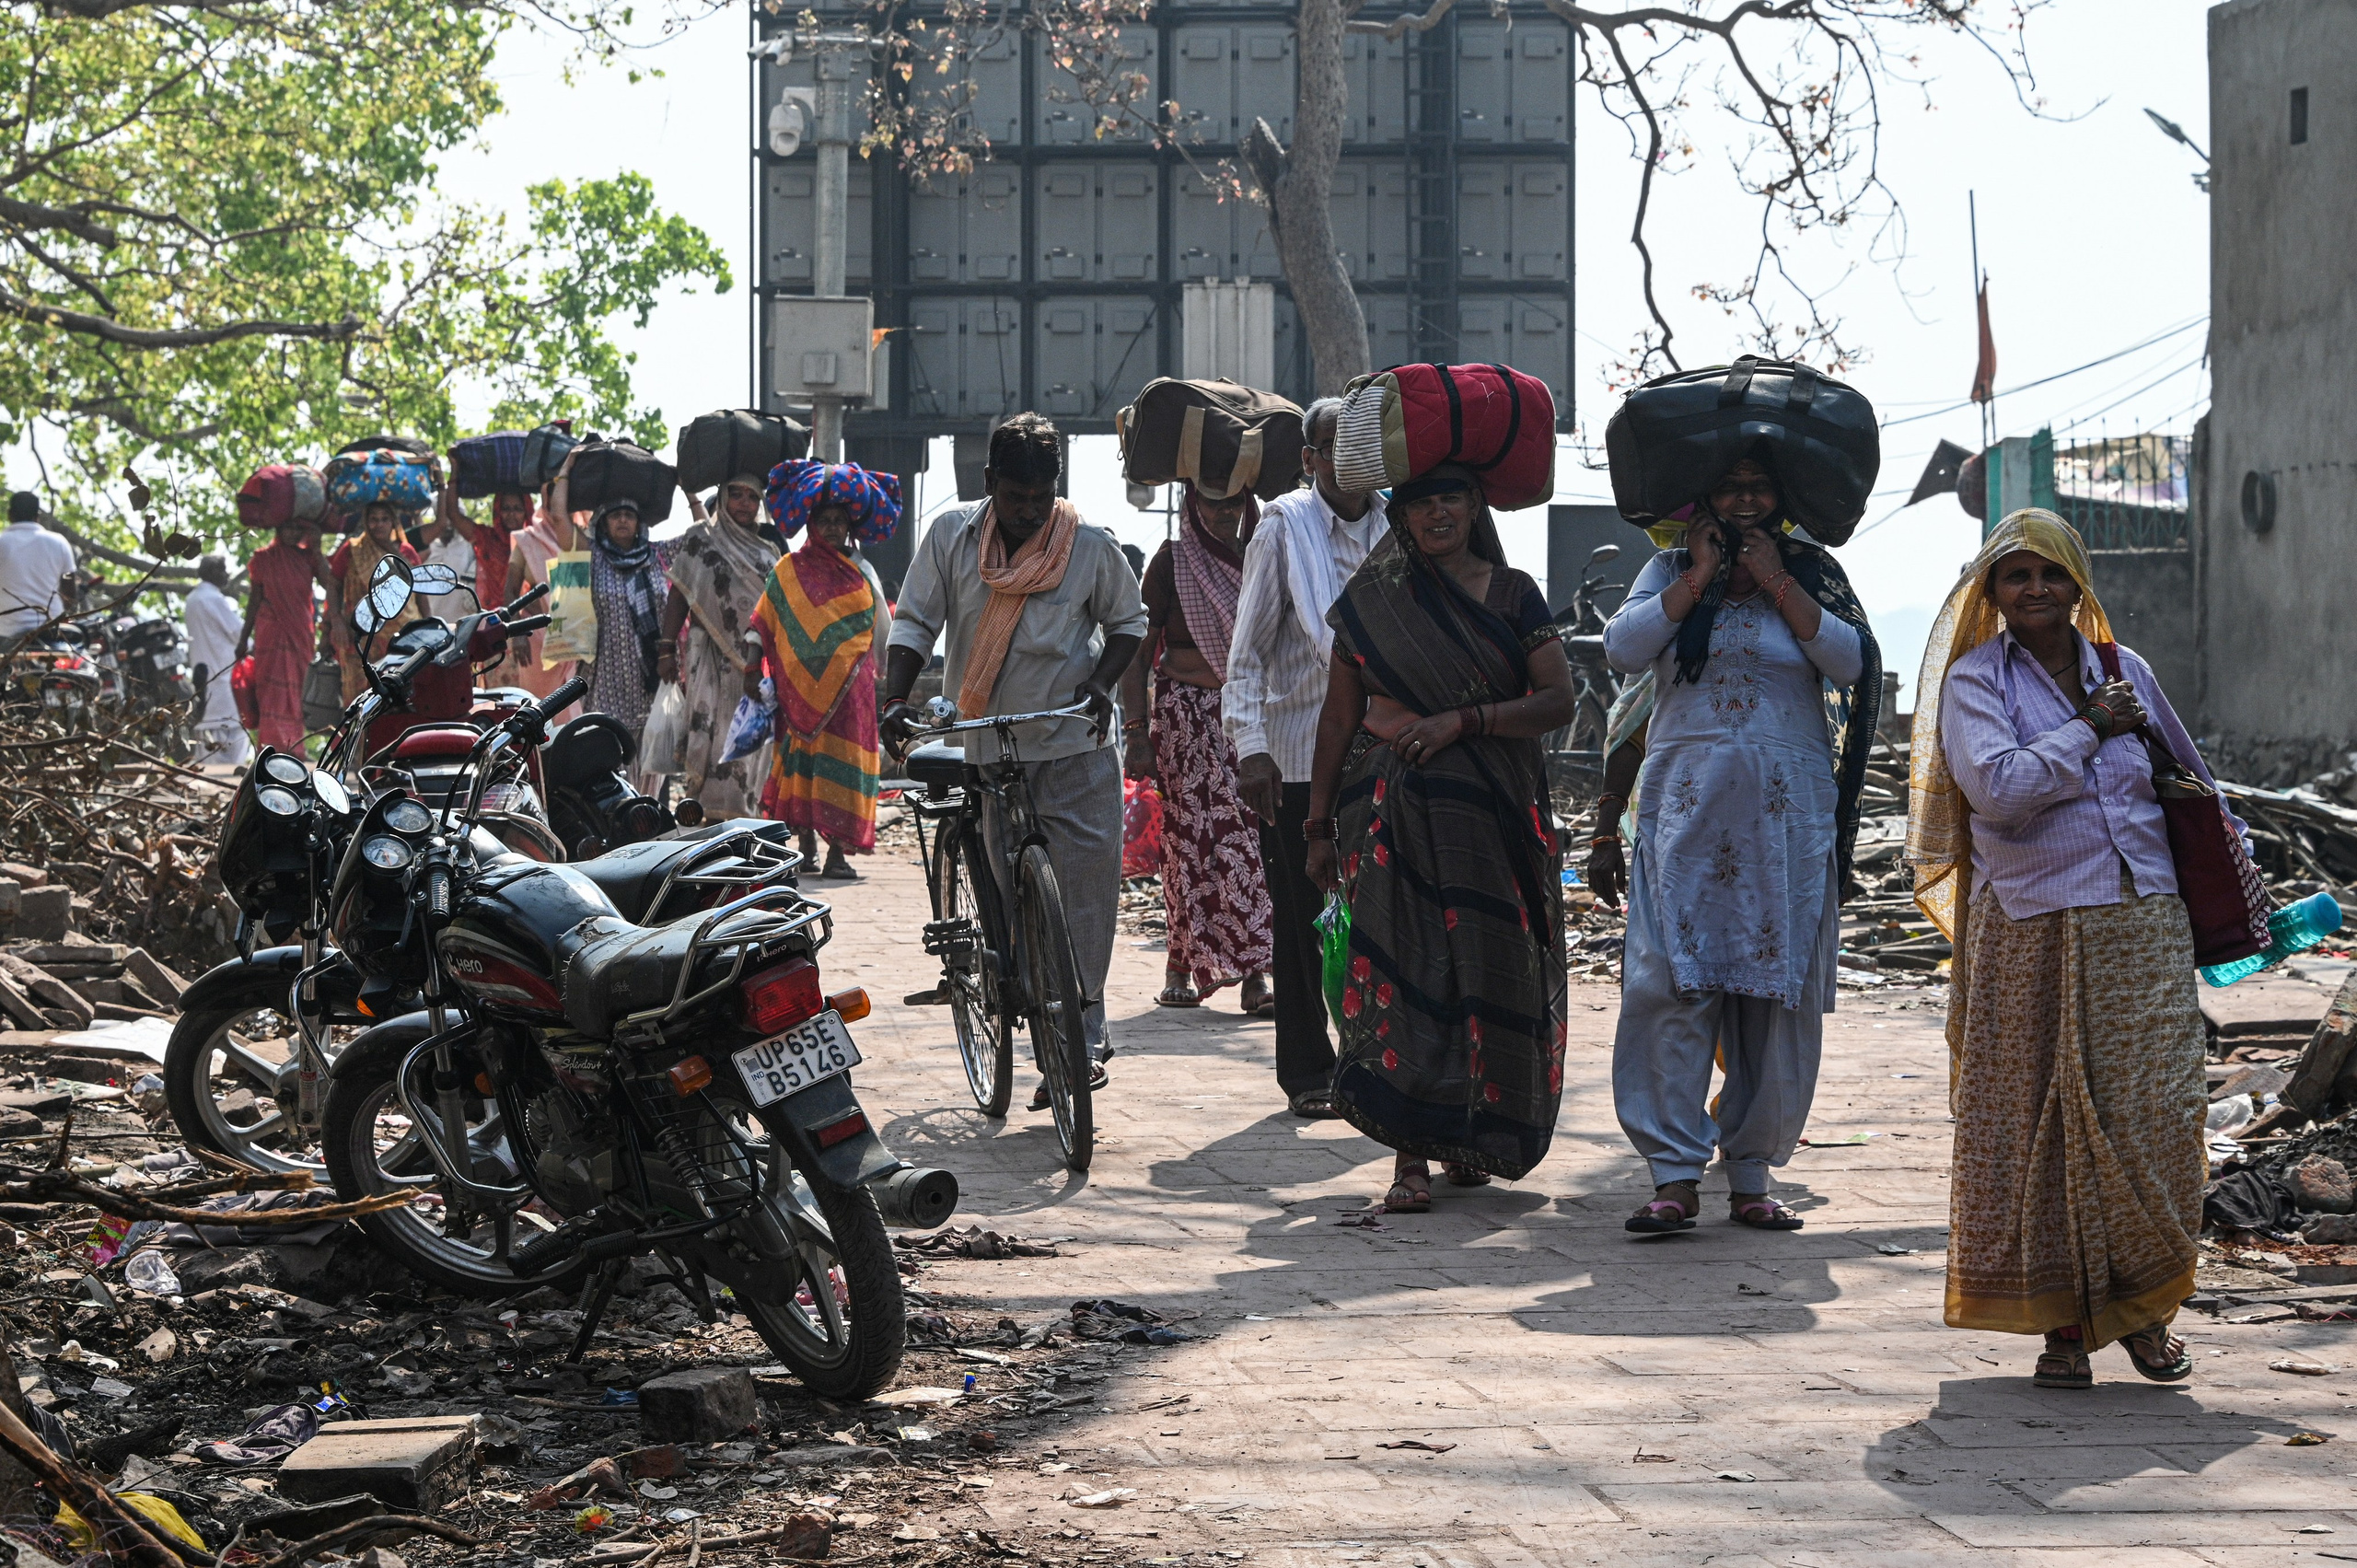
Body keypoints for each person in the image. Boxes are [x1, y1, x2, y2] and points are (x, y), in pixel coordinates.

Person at [1910, 507, 2216, 1388]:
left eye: (2052, 573)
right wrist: (2088, 729)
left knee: (2156, 1114)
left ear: (2079, 586)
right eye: (2017, 575)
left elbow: (2189, 782)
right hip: (2033, 923)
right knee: (2040, 1120)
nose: (2036, 589)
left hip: (2142, 917)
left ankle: (2148, 1309)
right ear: (1993, 594)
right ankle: (2066, 1327)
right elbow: (2000, 792)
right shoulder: (1976, 682)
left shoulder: (2131, 673)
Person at [1604, 454, 1881, 1236]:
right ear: (1707, 495)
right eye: (1732, 485)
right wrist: (1696, 576)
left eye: (1762, 486)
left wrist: (1776, 581)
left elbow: (1851, 661)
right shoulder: (1664, 567)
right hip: (1682, 818)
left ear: (1782, 498)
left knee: (1773, 992)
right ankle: (1673, 1174)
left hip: (1784, 824)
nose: (1748, 499)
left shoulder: (1812, 573)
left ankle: (1753, 1173)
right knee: (1667, 987)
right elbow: (1623, 650)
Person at [1304, 463, 1575, 1213]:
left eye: (1449, 498)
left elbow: (1557, 697)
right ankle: (1410, 1156)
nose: (1436, 515)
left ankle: (1473, 1137)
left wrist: (1465, 720)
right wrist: (1317, 823)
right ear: (1403, 516)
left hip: (1492, 819)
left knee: (1491, 970)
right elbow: (1337, 717)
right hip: (1393, 820)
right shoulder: (1369, 604)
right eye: (1420, 503)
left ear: (1476, 503)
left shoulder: (1516, 593)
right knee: (1406, 969)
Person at [882, 412, 1145, 1107]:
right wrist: (894, 696)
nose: (1029, 512)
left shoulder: (1088, 544)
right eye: (1015, 497)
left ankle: (1083, 1037)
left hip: (1071, 742)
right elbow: (914, 622)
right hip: (991, 746)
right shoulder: (950, 538)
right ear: (989, 482)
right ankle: (1031, 1008)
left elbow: (1129, 623)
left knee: (1086, 897)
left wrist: (1099, 684)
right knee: (1008, 891)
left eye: (1040, 497)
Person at [1225, 399, 1389, 1119]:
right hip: (1293, 756)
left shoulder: (1399, 523)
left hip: (1380, 750)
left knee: (1378, 918)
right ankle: (1308, 1068)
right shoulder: (1282, 526)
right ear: (1311, 458)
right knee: (1302, 920)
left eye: (1363, 444)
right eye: (1335, 445)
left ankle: (1378, 1058)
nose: (1350, 458)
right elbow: (1248, 652)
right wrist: (1250, 747)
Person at [1121, 481, 1275, 1013]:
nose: (1224, 513)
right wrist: (1136, 732)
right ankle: (1179, 964)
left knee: (1250, 841)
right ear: (1193, 503)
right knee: (1188, 844)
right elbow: (1138, 652)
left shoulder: (1266, 550)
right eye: (1213, 501)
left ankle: (1257, 972)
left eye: (1234, 501)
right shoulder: (1172, 562)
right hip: (1184, 719)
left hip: (1252, 718)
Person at [750, 460, 899, 877]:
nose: (832, 528)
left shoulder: (862, 570)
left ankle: (836, 856)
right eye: (824, 520)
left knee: (844, 769)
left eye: (839, 521)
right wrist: (750, 666)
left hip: (852, 696)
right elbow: (764, 618)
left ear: (849, 528)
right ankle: (806, 849)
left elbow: (882, 627)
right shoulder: (788, 569)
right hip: (796, 694)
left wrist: (889, 676)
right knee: (805, 770)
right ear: (810, 524)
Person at [660, 476, 784, 821]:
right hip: (709, 656)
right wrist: (665, 649)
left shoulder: (768, 552)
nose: (744, 504)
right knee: (711, 738)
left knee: (749, 743)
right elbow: (679, 593)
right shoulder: (701, 539)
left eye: (752, 497)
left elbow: (776, 612)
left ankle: (742, 820)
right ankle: (710, 818)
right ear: (722, 497)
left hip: (756, 666)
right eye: (736, 495)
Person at [552, 455, 670, 781]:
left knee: (650, 775)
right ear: (603, 522)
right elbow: (559, 519)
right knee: (610, 774)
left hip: (651, 683)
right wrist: (565, 471)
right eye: (615, 515)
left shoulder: (658, 556)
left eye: (629, 516)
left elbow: (703, 540)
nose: (622, 521)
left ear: (639, 522)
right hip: (604, 681)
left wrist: (690, 493)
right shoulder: (592, 557)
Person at [238, 519, 333, 750]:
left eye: (298, 528)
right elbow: (254, 600)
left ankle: (294, 747)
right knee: (271, 691)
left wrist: (318, 549)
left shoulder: (308, 557)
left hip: (301, 632)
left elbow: (330, 583)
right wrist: (243, 638)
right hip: (271, 631)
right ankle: (271, 747)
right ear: (279, 529)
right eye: (288, 527)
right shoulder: (264, 558)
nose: (293, 533)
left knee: (298, 691)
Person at [326, 503, 422, 701]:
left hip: (400, 638)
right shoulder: (352, 550)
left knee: (400, 698)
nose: (379, 525)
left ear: (393, 522)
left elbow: (419, 593)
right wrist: (336, 621)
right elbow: (333, 583)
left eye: (384, 519)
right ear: (366, 523)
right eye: (374, 519)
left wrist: (428, 627)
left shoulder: (406, 552)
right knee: (359, 701)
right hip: (360, 638)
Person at [504, 488, 579, 704]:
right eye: (552, 496)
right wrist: (516, 632)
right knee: (539, 712)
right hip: (536, 643)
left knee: (577, 712)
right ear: (544, 499)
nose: (558, 502)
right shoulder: (528, 540)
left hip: (577, 640)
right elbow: (510, 591)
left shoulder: (584, 537)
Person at [182, 554, 251, 768]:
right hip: (224, 671)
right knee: (233, 729)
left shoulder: (192, 599)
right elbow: (238, 633)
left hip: (203, 671)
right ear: (212, 573)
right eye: (223, 569)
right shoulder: (214, 599)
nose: (227, 574)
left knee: (207, 727)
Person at [433, 484, 528, 611]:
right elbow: (453, 514)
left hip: (527, 618)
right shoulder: (486, 538)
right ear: (498, 510)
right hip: (493, 619)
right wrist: (454, 470)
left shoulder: (533, 543)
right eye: (506, 508)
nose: (511, 514)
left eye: (518, 509)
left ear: (527, 511)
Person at [0, 492, 75, 643]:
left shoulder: (2, 542)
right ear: (38, 515)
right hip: (51, 631)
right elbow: (69, 593)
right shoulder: (58, 542)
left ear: (9, 514)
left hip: (5, 634)